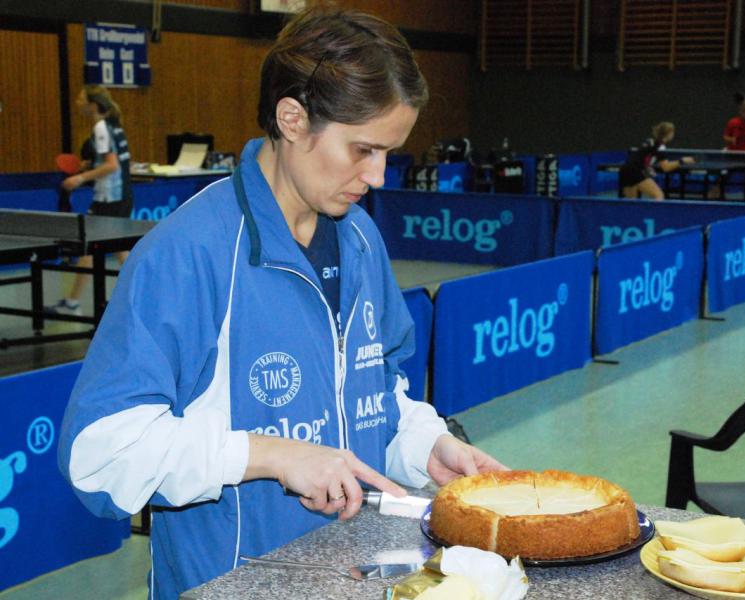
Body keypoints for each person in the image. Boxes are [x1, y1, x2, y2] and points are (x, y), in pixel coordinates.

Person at [58, 9, 507, 600]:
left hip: (356, 578)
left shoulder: (361, 239)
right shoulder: (189, 253)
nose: (376, 176)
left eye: (388, 153)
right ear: (292, 118)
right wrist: (267, 454)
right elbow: (98, 456)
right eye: (363, 149)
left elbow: (377, 394)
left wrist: (427, 449)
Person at [48, 85, 133, 315]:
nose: (76, 102)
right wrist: (91, 165)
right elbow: (113, 163)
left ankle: (72, 303)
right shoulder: (114, 125)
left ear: (92, 105)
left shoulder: (101, 128)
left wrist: (79, 178)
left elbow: (112, 164)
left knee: (89, 248)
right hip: (121, 195)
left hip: (109, 198)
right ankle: (148, 296)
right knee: (119, 250)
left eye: (80, 98)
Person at [619, 122, 693, 200]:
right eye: (672, 132)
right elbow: (666, 167)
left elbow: (641, 158)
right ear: (668, 134)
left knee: (631, 201)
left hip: (625, 169)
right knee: (659, 195)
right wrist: (682, 160)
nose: (673, 134)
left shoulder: (650, 141)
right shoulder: (660, 146)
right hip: (635, 170)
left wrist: (648, 168)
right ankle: (654, 212)